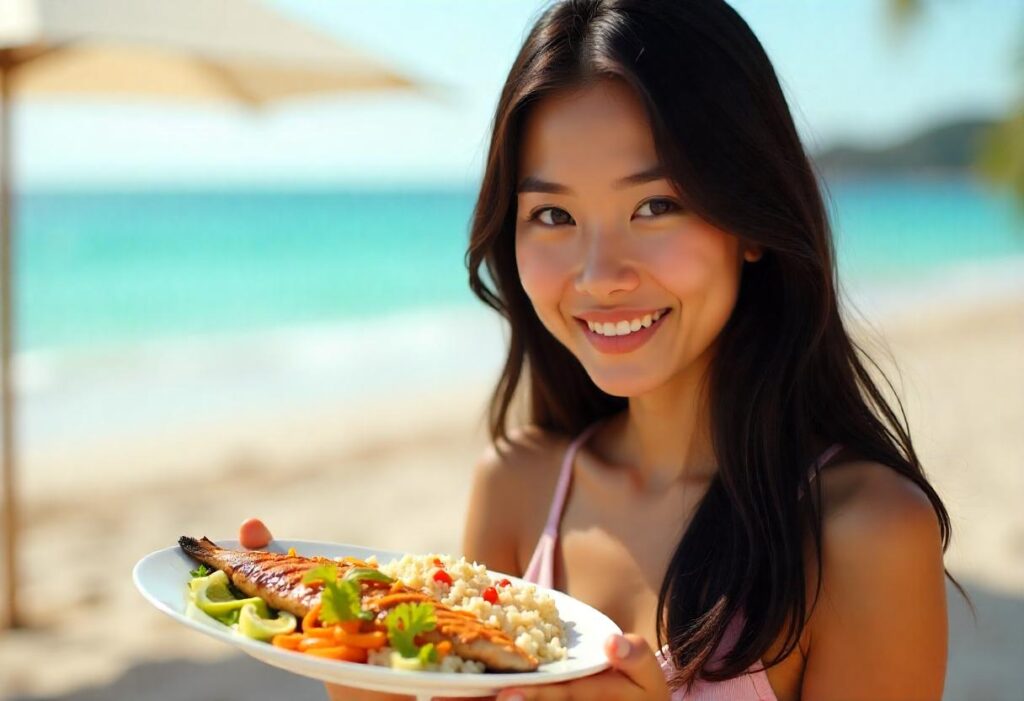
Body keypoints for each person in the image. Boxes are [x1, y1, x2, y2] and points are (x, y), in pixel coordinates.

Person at [242, 0, 966, 698]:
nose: (598, 277)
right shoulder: (516, 489)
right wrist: (368, 684)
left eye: (655, 205)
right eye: (553, 214)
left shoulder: (864, 534)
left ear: (751, 219)